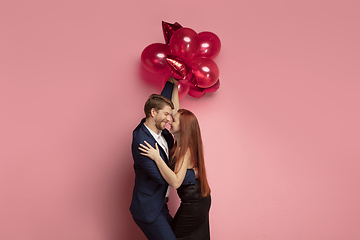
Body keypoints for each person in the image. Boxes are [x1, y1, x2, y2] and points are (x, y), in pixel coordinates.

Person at [139, 79, 211, 240]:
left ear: (183, 127)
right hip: (195, 200)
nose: (170, 120)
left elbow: (176, 182)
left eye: (174, 120)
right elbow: (175, 110)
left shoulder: (185, 150)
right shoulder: (179, 143)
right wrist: (175, 86)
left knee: (178, 236)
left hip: (195, 202)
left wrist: (157, 158)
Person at [130, 77, 196, 240]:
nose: (169, 118)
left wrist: (172, 82)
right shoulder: (142, 142)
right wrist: (192, 174)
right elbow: (162, 178)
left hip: (160, 205)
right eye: (166, 114)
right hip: (148, 209)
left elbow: (164, 102)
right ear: (153, 113)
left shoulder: (163, 133)